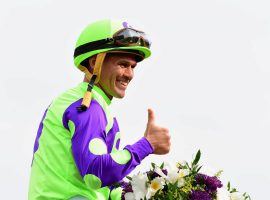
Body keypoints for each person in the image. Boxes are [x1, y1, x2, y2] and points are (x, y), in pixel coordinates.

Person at [28, 19, 171, 200]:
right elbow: (95, 173)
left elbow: (105, 187)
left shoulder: (85, 103)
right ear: (96, 62)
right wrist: (146, 145)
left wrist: (147, 192)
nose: (129, 74)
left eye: (133, 67)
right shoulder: (86, 107)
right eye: (123, 64)